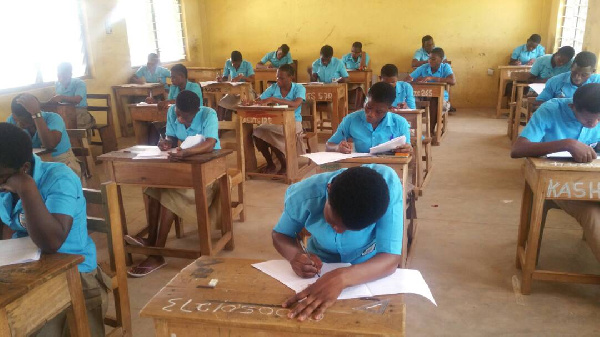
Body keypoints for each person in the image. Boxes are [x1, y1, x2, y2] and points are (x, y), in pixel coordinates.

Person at [0, 122, 107, 336]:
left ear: (24, 169)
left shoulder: (59, 178)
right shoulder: (4, 181)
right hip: (23, 272)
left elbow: (52, 242)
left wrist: (26, 187)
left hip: (75, 275)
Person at [272, 164, 403, 321]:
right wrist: (295, 255)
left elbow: (390, 257)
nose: (339, 230)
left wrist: (342, 278)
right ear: (329, 190)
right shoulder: (304, 195)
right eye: (333, 222)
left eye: (351, 229)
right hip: (320, 266)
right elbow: (280, 234)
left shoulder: (388, 187)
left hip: (369, 267)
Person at [125, 90, 221, 277]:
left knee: (168, 195)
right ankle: (152, 240)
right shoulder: (172, 112)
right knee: (153, 189)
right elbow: (169, 138)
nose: (178, 118)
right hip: (182, 168)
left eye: (184, 117)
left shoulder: (209, 114)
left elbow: (210, 143)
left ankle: (157, 254)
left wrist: (186, 153)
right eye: (177, 113)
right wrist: (166, 143)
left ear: (195, 112)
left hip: (207, 171)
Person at [511, 83, 600, 262]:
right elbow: (517, 150)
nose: (595, 124)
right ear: (572, 107)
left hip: (593, 180)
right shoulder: (551, 110)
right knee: (591, 213)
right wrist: (567, 144)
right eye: (589, 120)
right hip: (558, 182)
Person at [326, 82, 412, 154]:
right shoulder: (351, 120)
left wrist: (408, 150)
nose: (371, 114)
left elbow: (409, 154)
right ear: (366, 100)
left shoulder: (400, 123)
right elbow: (329, 145)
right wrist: (337, 148)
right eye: (368, 107)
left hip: (389, 169)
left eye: (378, 112)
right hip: (361, 170)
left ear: (390, 109)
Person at [8, 93, 81, 177]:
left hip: (61, 162)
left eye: (25, 122)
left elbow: (50, 145)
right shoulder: (12, 120)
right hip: (33, 164)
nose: (21, 124)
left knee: (55, 184)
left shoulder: (53, 118)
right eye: (18, 120)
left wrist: (36, 114)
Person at [252, 64, 306, 174]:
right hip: (276, 122)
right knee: (257, 132)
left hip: (294, 122)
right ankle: (270, 164)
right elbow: (259, 100)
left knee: (268, 132)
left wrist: (273, 99)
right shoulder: (274, 87)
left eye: (281, 78)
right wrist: (252, 102)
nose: (278, 80)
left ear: (291, 78)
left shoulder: (299, 88)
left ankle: (285, 164)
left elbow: (295, 104)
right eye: (277, 77)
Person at [407, 47, 456, 134]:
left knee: (434, 101)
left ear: (441, 60)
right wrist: (414, 80)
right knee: (410, 102)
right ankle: (412, 131)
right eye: (429, 58)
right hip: (423, 96)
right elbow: (408, 78)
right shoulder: (424, 67)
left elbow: (452, 81)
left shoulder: (445, 67)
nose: (430, 61)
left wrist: (432, 78)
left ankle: (430, 131)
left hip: (440, 99)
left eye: (433, 59)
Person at [50, 62, 95, 129]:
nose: (61, 77)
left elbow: (77, 100)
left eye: (64, 74)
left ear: (70, 74)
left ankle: (79, 138)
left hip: (79, 112)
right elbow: (57, 100)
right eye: (59, 74)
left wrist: (61, 97)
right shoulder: (57, 84)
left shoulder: (79, 83)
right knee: (53, 125)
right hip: (64, 112)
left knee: (75, 129)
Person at [342, 42, 370, 109]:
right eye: (352, 51)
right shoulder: (346, 57)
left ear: (360, 52)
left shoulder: (365, 56)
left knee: (360, 87)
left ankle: (357, 109)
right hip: (349, 80)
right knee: (342, 86)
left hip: (360, 81)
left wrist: (363, 55)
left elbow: (363, 67)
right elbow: (341, 68)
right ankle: (344, 108)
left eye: (356, 52)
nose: (353, 54)